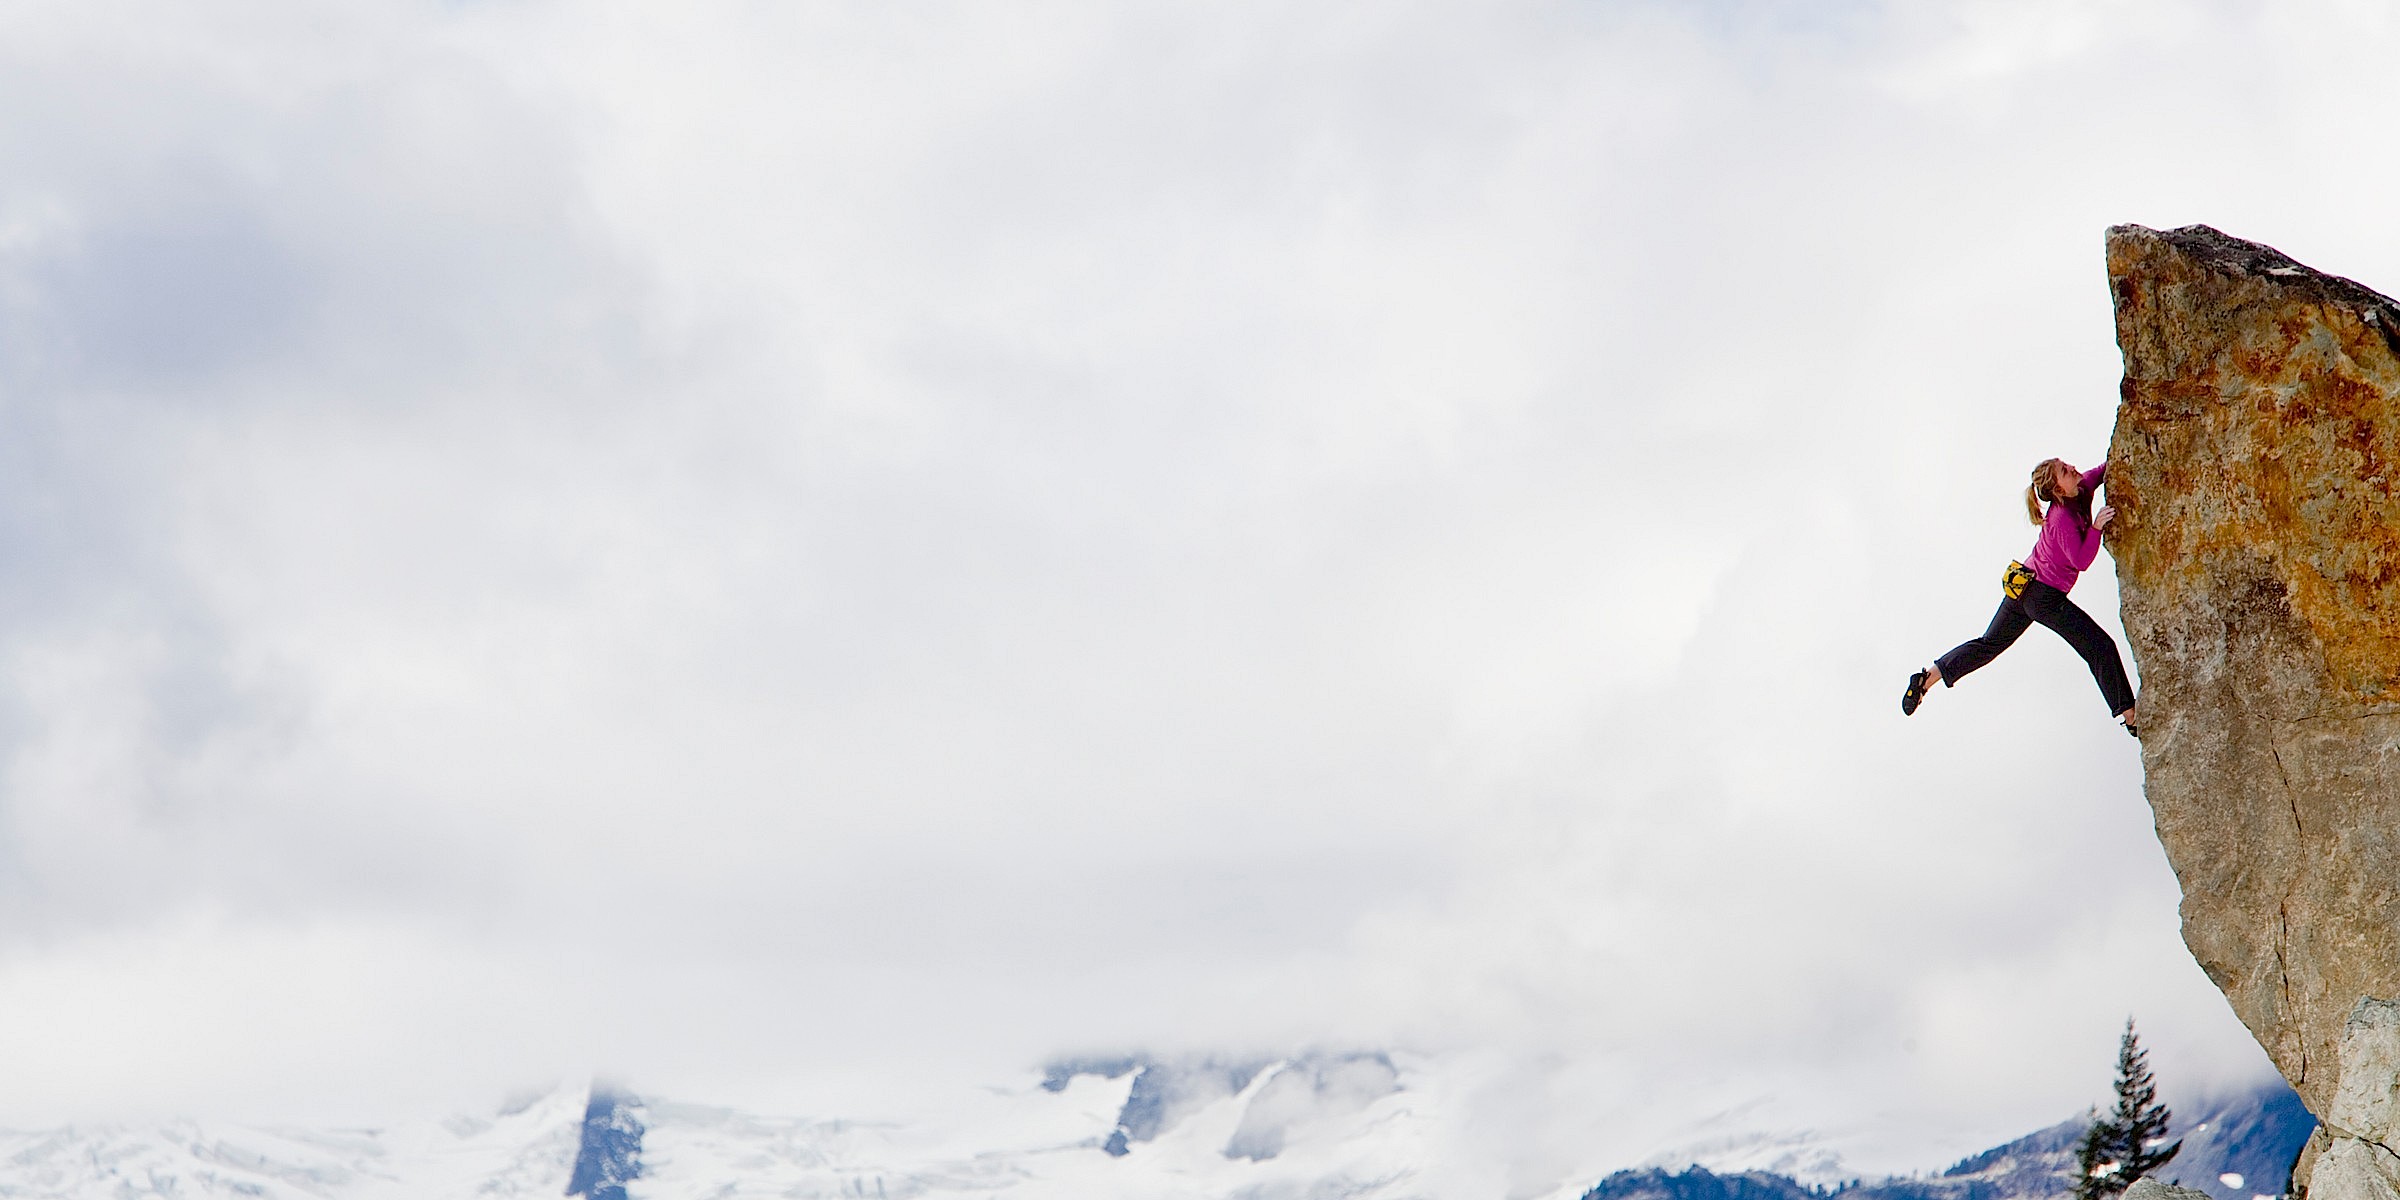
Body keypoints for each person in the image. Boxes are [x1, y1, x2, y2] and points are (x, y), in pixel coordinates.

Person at [1901, 458, 2140, 737]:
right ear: (2059, 491)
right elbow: (2081, 560)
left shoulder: (2082, 485)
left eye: (2066, 464)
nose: (2072, 468)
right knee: (2099, 645)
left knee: (1987, 644)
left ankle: (1927, 679)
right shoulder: (2061, 518)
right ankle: (2129, 714)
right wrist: (2096, 527)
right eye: (2064, 471)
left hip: (2022, 584)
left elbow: (2105, 467)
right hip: (2042, 595)